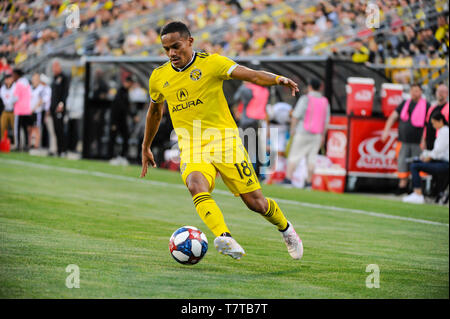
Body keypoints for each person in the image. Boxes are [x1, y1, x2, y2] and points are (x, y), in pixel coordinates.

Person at [140, 21, 303, 261]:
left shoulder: (212, 63)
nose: (172, 53)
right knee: (195, 184)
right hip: (192, 146)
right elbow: (155, 112)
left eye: (176, 46)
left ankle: (286, 229)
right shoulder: (159, 77)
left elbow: (252, 75)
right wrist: (145, 146)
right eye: (166, 49)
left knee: (256, 203)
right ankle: (223, 236)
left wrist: (278, 79)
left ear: (190, 41)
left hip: (226, 142)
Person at [382, 83, 430, 195]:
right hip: (403, 141)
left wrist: (424, 139)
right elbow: (393, 116)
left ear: (421, 92)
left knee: (418, 165)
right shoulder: (405, 103)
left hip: (418, 142)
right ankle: (402, 186)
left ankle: (417, 189)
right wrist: (386, 131)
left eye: (416, 90)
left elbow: (428, 124)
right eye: (412, 90)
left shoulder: (426, 105)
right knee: (402, 164)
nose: (414, 93)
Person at [284, 78, 330, 187]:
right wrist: (323, 135)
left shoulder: (306, 99)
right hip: (317, 135)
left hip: (303, 132)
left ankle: (288, 179)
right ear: (320, 87)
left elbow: (295, 116)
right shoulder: (325, 101)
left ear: (310, 87)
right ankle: (309, 182)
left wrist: (292, 130)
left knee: (294, 156)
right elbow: (326, 121)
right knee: (312, 158)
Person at [403, 113, 449, 204]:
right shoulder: (442, 131)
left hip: (445, 164)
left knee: (414, 166)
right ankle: (416, 193)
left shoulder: (445, 132)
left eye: (434, 123)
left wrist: (426, 158)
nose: (433, 126)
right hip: (441, 162)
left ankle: (418, 194)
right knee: (416, 162)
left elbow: (438, 151)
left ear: (440, 121)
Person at [233, 81, 269, 177]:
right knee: (259, 148)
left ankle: (243, 172)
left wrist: (237, 113)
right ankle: (259, 174)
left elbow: (236, 99)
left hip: (247, 121)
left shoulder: (246, 88)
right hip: (260, 121)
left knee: (244, 147)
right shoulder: (265, 90)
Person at [108, 76, 133, 165]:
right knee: (113, 138)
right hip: (116, 120)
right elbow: (116, 108)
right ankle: (110, 157)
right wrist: (113, 123)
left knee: (126, 137)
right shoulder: (120, 92)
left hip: (122, 120)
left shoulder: (126, 92)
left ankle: (122, 156)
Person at [50, 60, 70, 157]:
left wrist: (61, 104)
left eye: (55, 67)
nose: (53, 69)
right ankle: (58, 150)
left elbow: (65, 92)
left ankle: (63, 150)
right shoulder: (54, 78)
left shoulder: (64, 77)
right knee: (56, 130)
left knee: (61, 129)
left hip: (60, 108)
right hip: (53, 107)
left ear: (59, 67)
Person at [421, 83, 449, 151]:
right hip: (429, 142)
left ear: (447, 94)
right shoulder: (432, 108)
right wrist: (423, 140)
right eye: (439, 91)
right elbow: (426, 124)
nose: (440, 93)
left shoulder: (448, 108)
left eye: (442, 92)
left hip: (441, 143)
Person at [12, 68, 32, 151]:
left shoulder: (18, 84)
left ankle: (18, 145)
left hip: (19, 110)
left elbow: (15, 98)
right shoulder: (27, 83)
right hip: (27, 109)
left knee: (17, 129)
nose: (13, 76)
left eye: (13, 75)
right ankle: (27, 145)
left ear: (17, 75)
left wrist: (11, 103)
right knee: (25, 129)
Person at [0, 72, 16, 143]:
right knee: (2, 126)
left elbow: (16, 98)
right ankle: (3, 141)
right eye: (6, 79)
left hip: (14, 110)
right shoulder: (3, 88)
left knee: (15, 128)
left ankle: (16, 143)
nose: (7, 80)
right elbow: (3, 98)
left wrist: (10, 102)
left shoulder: (15, 87)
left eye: (8, 78)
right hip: (5, 110)